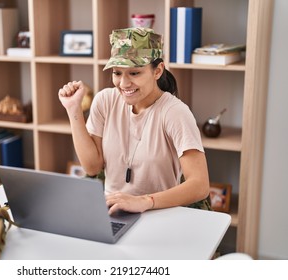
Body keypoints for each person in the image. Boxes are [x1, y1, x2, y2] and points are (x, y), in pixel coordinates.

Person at [58, 27, 210, 215]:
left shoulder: (175, 113)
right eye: (117, 73)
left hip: (159, 212)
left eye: (134, 73)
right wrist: (73, 109)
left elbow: (200, 185)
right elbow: (92, 167)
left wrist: (144, 201)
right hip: (111, 212)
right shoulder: (105, 100)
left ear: (157, 71)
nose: (123, 84)